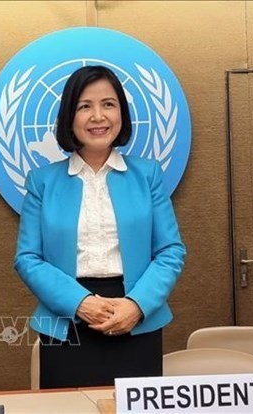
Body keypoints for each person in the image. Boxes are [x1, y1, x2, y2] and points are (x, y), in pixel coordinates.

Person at [14, 65, 186, 388]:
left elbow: (170, 251)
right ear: (69, 116)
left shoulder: (147, 175)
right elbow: (28, 258)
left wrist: (136, 305)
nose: (98, 116)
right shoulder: (43, 181)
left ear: (121, 113)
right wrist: (81, 303)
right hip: (68, 321)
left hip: (135, 318)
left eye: (108, 104)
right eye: (85, 106)